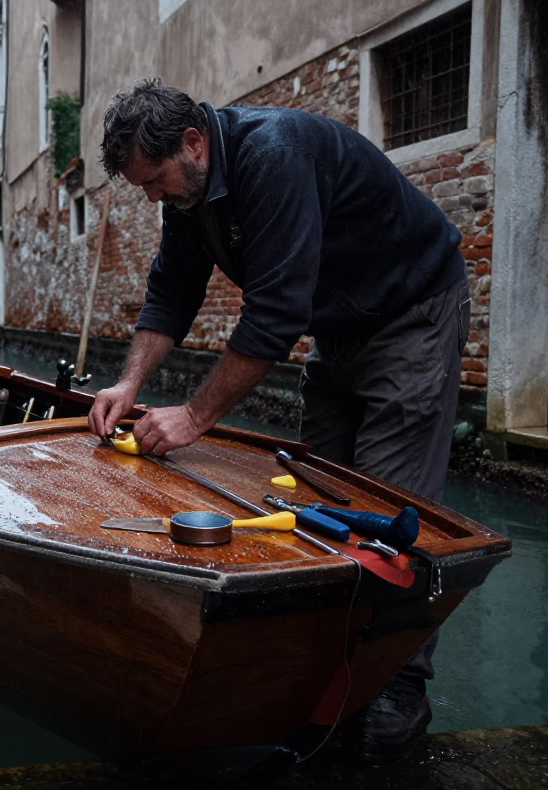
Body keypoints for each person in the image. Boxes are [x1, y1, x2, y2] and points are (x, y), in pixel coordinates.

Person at [87, 79, 470, 765]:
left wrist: (194, 417)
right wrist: (129, 383)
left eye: (156, 181)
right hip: (341, 325)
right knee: (324, 497)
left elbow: (275, 316)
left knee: (389, 507)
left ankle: (400, 688)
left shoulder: (275, 156)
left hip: (411, 313)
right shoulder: (192, 192)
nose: (153, 198)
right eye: (143, 188)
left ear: (194, 144)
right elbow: (172, 290)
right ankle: (327, 668)